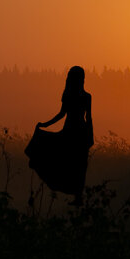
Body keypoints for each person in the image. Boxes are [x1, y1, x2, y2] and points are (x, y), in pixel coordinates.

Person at [25, 65, 93, 205]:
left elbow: (62, 115)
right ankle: (77, 197)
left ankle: (77, 197)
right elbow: (88, 119)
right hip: (79, 133)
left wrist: (45, 125)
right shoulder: (85, 96)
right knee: (78, 165)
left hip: (73, 132)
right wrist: (45, 125)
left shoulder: (70, 95)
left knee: (70, 163)